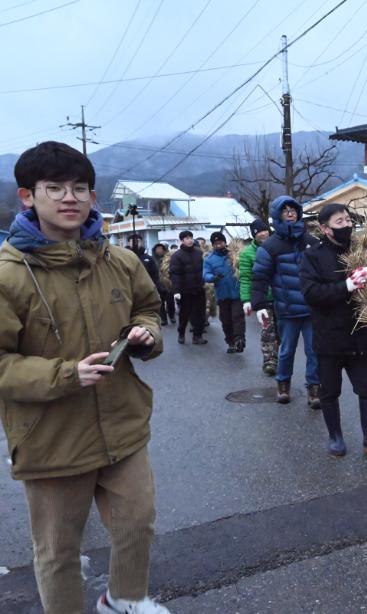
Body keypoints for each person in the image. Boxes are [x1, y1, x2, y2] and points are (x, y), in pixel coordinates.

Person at [0, 141, 169, 614]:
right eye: (54, 188)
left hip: (123, 423)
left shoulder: (120, 261)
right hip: (50, 436)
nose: (69, 197)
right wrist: (66, 374)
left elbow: (149, 309)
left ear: (94, 198)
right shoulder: (7, 275)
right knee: (58, 551)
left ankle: (124, 600)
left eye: (80, 188)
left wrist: (145, 334)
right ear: (27, 197)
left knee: (137, 524)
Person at [300, 203, 367, 457]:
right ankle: (335, 437)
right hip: (329, 338)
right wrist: (346, 286)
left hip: (360, 336)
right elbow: (311, 293)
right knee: (330, 392)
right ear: (324, 228)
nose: (346, 226)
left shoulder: (361, 250)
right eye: (339, 222)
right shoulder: (313, 256)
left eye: (348, 220)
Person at [251, 196, 321, 407]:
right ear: (277, 215)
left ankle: (314, 390)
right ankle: (283, 387)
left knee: (314, 350)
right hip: (287, 310)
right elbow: (259, 277)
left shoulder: (312, 242)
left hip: (312, 309)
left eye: (293, 210)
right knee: (286, 350)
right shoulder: (270, 246)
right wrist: (260, 305)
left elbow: (325, 271)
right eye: (285, 210)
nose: (290, 213)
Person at [240, 218, 278, 374]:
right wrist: (246, 300)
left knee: (283, 332)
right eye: (259, 232)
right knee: (268, 330)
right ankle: (270, 361)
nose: (263, 234)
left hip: (281, 296)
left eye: (265, 230)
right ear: (254, 235)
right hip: (262, 298)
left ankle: (280, 357)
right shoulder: (247, 253)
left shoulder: (278, 246)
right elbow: (245, 278)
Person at [203, 231, 245, 353]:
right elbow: (205, 274)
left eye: (220, 242)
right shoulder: (209, 259)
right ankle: (230, 342)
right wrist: (213, 277)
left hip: (237, 292)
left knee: (238, 317)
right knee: (226, 320)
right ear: (212, 245)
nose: (218, 245)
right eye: (215, 243)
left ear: (225, 242)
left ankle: (239, 339)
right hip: (222, 294)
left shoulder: (234, 255)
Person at [169, 230, 207, 345]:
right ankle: (181, 333)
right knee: (184, 314)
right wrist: (176, 291)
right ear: (182, 241)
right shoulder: (177, 255)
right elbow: (175, 274)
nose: (189, 240)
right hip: (185, 291)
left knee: (200, 313)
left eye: (191, 237)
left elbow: (205, 269)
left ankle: (197, 336)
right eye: (186, 238)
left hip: (199, 289)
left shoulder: (199, 253)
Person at [151, 242, 176, 325]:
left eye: (161, 249)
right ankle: (163, 319)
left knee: (170, 302)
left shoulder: (169, 258)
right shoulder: (152, 259)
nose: (159, 251)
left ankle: (172, 316)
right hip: (157, 284)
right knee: (160, 303)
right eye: (157, 249)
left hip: (168, 284)